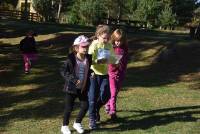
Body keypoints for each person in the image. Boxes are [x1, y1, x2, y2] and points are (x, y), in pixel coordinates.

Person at [60, 35, 92, 134]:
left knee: (85, 106)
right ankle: (64, 126)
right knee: (69, 108)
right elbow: (63, 71)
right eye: (83, 46)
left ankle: (77, 123)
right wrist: (73, 79)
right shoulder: (71, 59)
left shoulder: (88, 58)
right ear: (76, 48)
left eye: (87, 46)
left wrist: (91, 73)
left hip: (82, 88)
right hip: (71, 88)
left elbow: (87, 69)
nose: (85, 48)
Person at [88, 25, 116, 129]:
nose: (106, 40)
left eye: (108, 38)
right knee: (92, 98)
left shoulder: (109, 45)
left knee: (106, 95)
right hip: (93, 74)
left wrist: (115, 61)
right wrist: (99, 61)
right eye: (104, 38)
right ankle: (92, 119)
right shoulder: (94, 45)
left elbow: (112, 58)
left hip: (104, 74)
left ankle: (95, 109)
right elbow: (88, 60)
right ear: (98, 36)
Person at [105, 29, 128, 119]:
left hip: (121, 73)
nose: (118, 42)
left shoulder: (124, 48)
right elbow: (107, 61)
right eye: (116, 40)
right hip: (112, 74)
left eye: (120, 41)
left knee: (115, 92)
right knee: (113, 92)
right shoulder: (111, 47)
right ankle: (113, 111)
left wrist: (123, 69)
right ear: (113, 39)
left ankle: (107, 104)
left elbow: (125, 60)